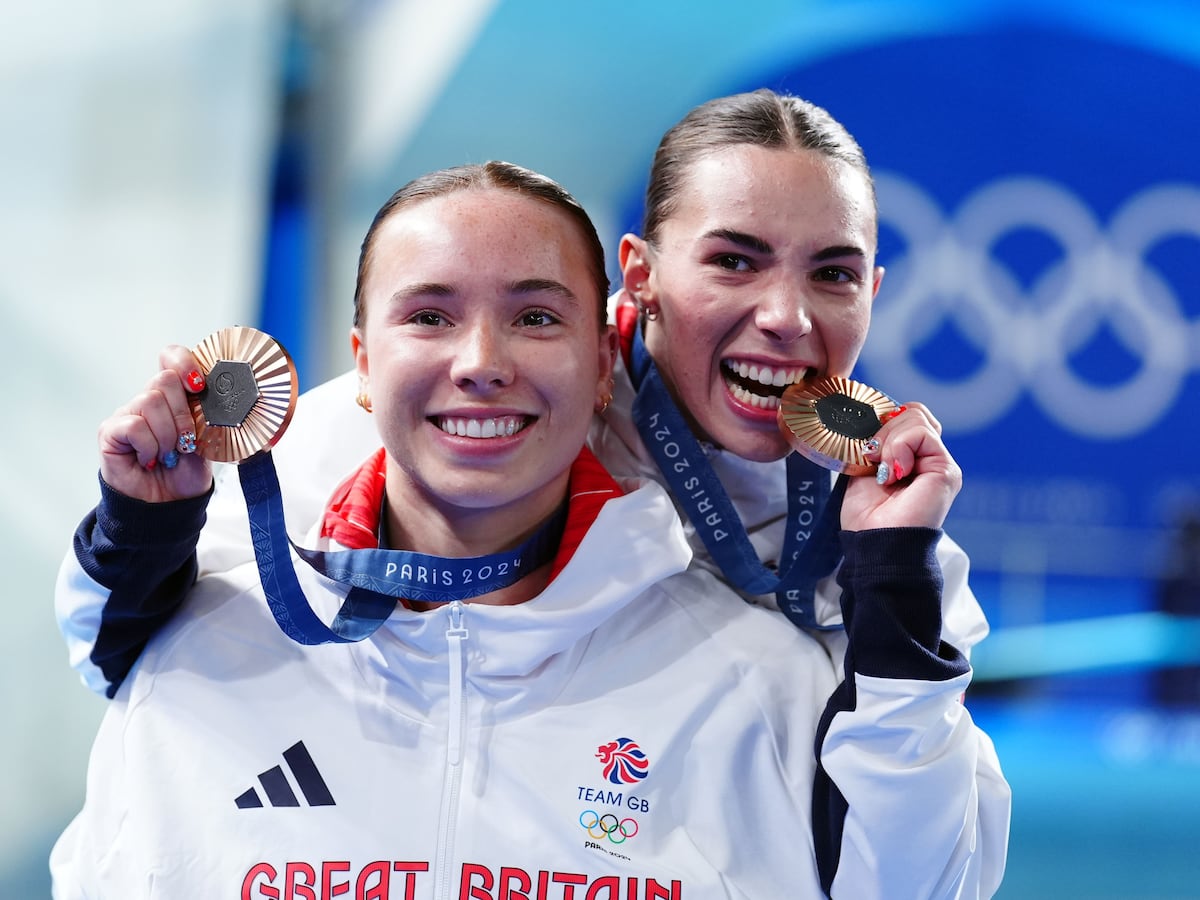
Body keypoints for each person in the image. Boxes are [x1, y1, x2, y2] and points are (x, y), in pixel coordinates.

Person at [56, 90, 1010, 896]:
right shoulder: (385, 429)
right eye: (734, 259)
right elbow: (130, 647)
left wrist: (893, 578)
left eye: (832, 274)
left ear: (874, 291)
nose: (786, 317)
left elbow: (929, 873)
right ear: (635, 283)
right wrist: (142, 523)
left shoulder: (889, 524)